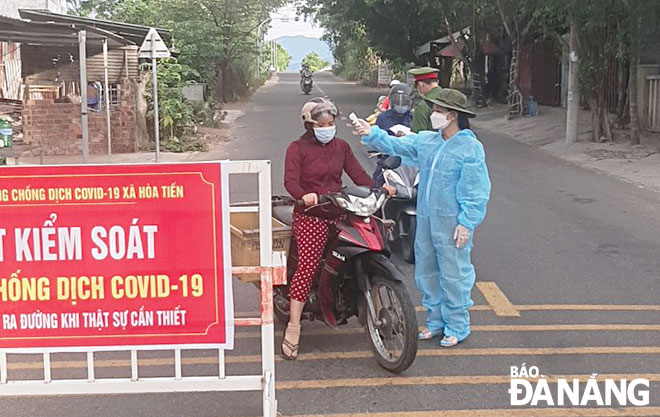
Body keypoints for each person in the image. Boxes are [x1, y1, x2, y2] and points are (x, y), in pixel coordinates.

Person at [354, 89, 491, 348]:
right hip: (427, 218)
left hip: (451, 221)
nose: (434, 115)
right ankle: (436, 321)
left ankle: (457, 325)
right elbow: (399, 144)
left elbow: (475, 189)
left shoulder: (469, 148)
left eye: (438, 111)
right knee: (427, 270)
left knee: (454, 273)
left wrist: (467, 222)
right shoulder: (429, 141)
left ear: (452, 116)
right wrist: (370, 133)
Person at [282, 98, 375, 360]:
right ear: (310, 125)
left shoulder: (342, 147)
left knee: (363, 242)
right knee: (308, 266)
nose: (328, 128)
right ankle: (294, 325)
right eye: (322, 124)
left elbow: (359, 175)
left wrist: (377, 190)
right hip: (311, 213)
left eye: (331, 123)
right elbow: (290, 181)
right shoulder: (296, 148)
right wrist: (305, 195)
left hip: (339, 209)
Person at [373, 83, 413, 185]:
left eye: (404, 101)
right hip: (387, 161)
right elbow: (376, 139)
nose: (400, 104)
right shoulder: (383, 118)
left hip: (410, 163)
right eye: (397, 101)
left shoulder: (414, 118)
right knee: (377, 185)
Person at [408, 67, 442, 133]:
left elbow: (417, 135)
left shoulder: (423, 106)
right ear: (437, 82)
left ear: (421, 85)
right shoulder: (450, 99)